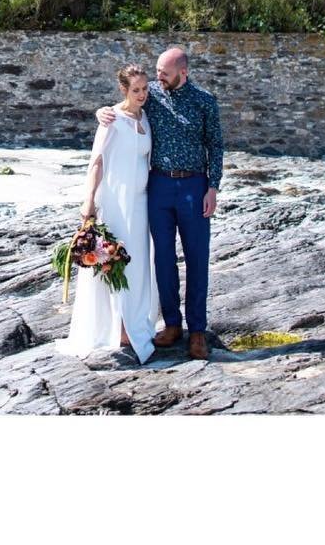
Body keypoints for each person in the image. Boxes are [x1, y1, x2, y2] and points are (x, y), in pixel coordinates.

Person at [97, 45, 223, 361]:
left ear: (183, 72)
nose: (157, 78)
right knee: (162, 259)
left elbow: (216, 146)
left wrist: (213, 187)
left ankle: (197, 332)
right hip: (158, 185)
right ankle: (172, 325)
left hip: (195, 186)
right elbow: (126, 103)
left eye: (163, 73)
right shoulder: (151, 94)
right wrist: (101, 112)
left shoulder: (205, 102)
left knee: (197, 260)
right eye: (156, 72)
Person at [58, 65, 160, 363]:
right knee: (115, 262)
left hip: (141, 203)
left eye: (145, 89)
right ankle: (117, 326)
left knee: (140, 262)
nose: (142, 95)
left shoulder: (146, 117)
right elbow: (97, 162)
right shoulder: (111, 119)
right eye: (136, 90)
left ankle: (136, 322)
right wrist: (88, 201)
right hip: (116, 201)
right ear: (124, 90)